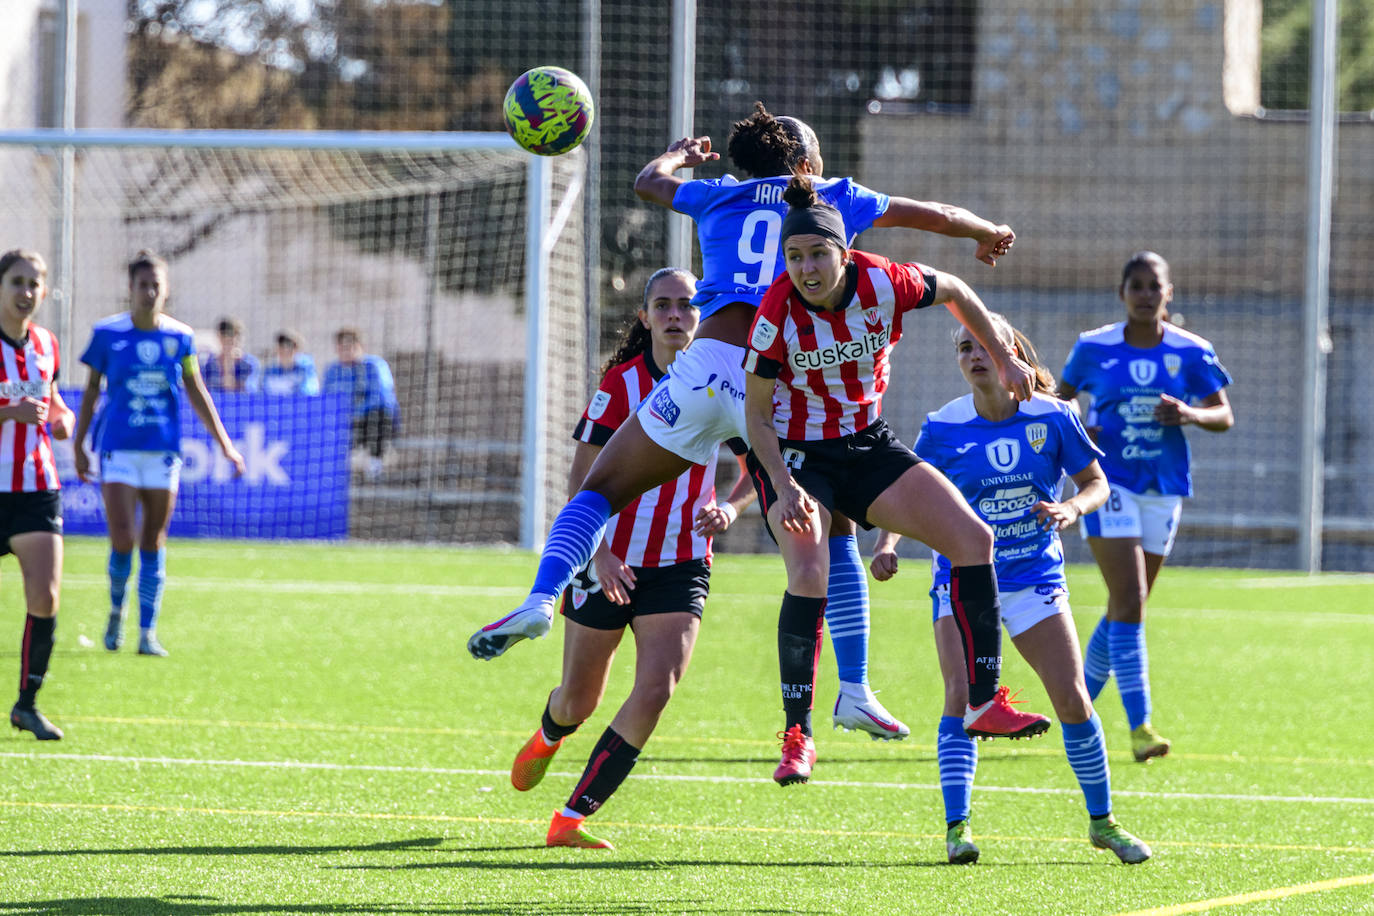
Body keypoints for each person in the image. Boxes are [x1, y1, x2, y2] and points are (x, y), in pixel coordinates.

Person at [468, 103, 1029, 755]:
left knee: (600, 489)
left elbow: (648, 183)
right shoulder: (829, 198)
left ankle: (542, 597)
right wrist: (987, 232)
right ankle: (852, 688)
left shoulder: (717, 195)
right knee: (833, 530)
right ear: (807, 164)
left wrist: (680, 155)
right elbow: (934, 215)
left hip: (704, 368)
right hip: (774, 384)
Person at [742, 176, 1050, 785]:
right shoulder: (776, 312)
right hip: (798, 456)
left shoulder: (884, 281)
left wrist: (1004, 355)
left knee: (973, 539)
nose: (806, 269)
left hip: (866, 443)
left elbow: (957, 288)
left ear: (844, 252)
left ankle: (984, 701)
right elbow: (755, 415)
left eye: (818, 254)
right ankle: (798, 736)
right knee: (810, 573)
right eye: (794, 257)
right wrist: (781, 484)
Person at [871, 314, 1151, 865]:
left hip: (1034, 576)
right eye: (964, 348)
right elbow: (907, 492)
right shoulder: (943, 426)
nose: (974, 356)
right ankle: (958, 830)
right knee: (961, 698)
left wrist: (1071, 508)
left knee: (1072, 698)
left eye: (984, 345)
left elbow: (1096, 483)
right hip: (961, 578)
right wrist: (887, 544)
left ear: (1011, 353)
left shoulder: (1053, 416)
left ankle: (1103, 823)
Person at [500, 267, 754, 851]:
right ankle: (549, 734)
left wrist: (731, 509)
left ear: (703, 315)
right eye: (662, 305)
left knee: (658, 687)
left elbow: (754, 465)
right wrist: (602, 553)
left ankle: (570, 817)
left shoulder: (726, 376)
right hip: (608, 561)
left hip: (682, 561)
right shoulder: (622, 383)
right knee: (578, 701)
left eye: (686, 304)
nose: (675, 315)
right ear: (644, 317)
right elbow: (583, 479)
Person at [1057, 251, 1233, 763]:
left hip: (1163, 488)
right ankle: (1140, 728)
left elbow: (1223, 414)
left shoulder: (1191, 351)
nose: (1145, 294)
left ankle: (1076, 709)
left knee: (1124, 607)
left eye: (1154, 286)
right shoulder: (1093, 347)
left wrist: (1190, 414)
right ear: (1122, 293)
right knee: (1130, 600)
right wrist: (1080, 431)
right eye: (1135, 286)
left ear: (1168, 293)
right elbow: (1061, 400)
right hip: (1109, 485)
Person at [73, 250, 246, 657]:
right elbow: (92, 390)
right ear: (130, 288)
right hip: (118, 448)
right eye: (143, 285)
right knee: (122, 539)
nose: (149, 292)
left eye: (156, 285)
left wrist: (225, 445)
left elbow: (196, 390)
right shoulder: (107, 334)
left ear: (166, 290)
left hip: (162, 451)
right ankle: (117, 610)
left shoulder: (180, 338)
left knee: (153, 540)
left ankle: (147, 632)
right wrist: (79, 444)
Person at [0, 250, 74, 740]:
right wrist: (10, 412)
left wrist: (63, 418)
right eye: (16, 281)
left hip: (35, 486)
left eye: (34, 283)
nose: (26, 292)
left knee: (45, 596)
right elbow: (21, 408)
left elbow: (54, 402)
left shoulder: (47, 343)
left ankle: (27, 705)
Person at [323, 327, 399, 480]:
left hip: (371, 420)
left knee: (377, 416)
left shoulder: (373, 366)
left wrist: (354, 413)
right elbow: (327, 398)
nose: (347, 351)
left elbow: (380, 398)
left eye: (350, 346)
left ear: (360, 346)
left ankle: (375, 467)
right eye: (342, 347)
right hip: (345, 421)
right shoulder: (333, 370)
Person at [201, 316, 260, 393]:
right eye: (224, 335)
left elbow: (250, 389)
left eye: (234, 335)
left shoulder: (249, 363)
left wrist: (229, 366)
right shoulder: (209, 364)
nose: (229, 340)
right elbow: (202, 388)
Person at [261, 329, 320, 396]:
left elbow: (311, 390)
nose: (285, 350)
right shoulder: (270, 371)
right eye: (281, 346)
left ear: (297, 349)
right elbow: (264, 392)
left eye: (289, 347)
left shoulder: (305, 368)